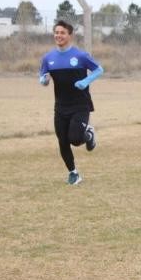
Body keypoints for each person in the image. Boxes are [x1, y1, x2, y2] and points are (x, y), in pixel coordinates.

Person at [39, 20, 104, 185]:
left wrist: (86, 81)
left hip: (80, 105)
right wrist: (44, 80)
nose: (58, 35)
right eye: (56, 32)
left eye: (62, 33)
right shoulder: (48, 58)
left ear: (69, 35)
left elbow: (99, 69)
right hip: (60, 106)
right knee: (62, 140)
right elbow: (43, 75)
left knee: (75, 139)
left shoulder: (80, 56)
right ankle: (73, 173)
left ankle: (88, 134)